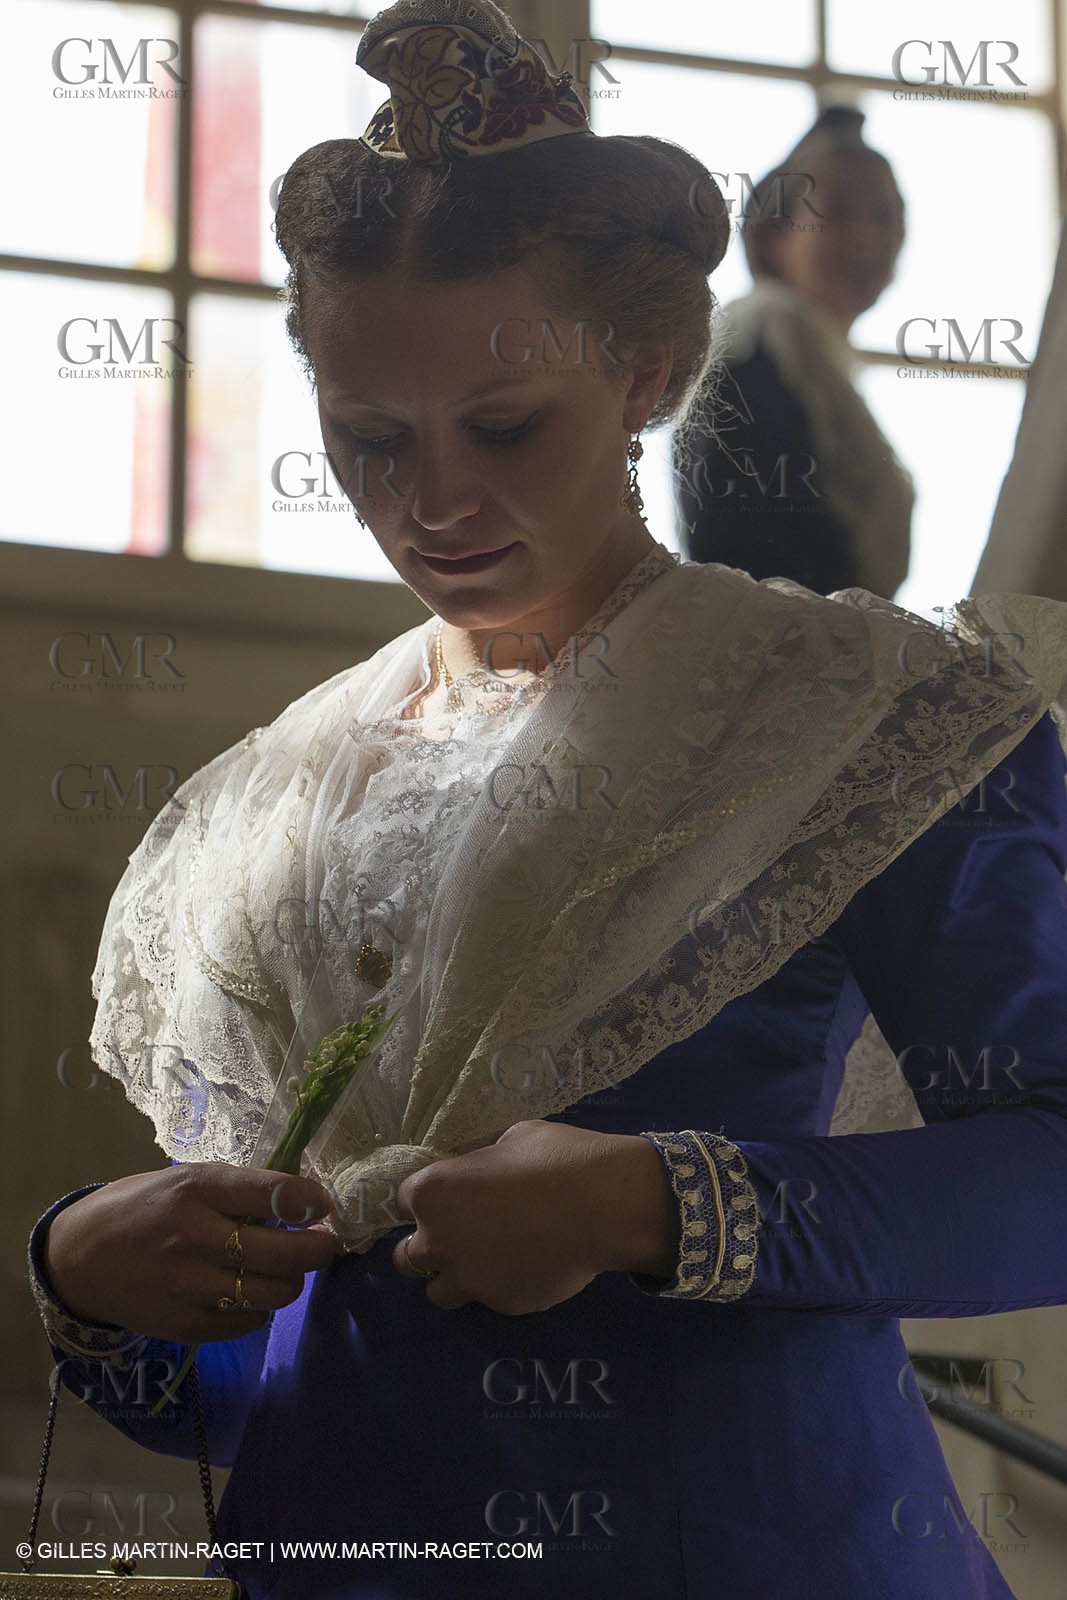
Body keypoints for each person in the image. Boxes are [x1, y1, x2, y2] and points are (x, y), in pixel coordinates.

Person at [25, 3, 1067, 1596]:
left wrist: (662, 1205)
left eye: (504, 427)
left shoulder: (852, 718)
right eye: (368, 440)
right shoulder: (278, 798)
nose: (432, 501)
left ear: (642, 368)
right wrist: (90, 1273)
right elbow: (252, 1385)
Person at [675, 105, 913, 601]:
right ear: (773, 234)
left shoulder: (815, 366)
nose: (870, 238)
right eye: (841, 211)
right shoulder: (751, 351)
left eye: (886, 214)